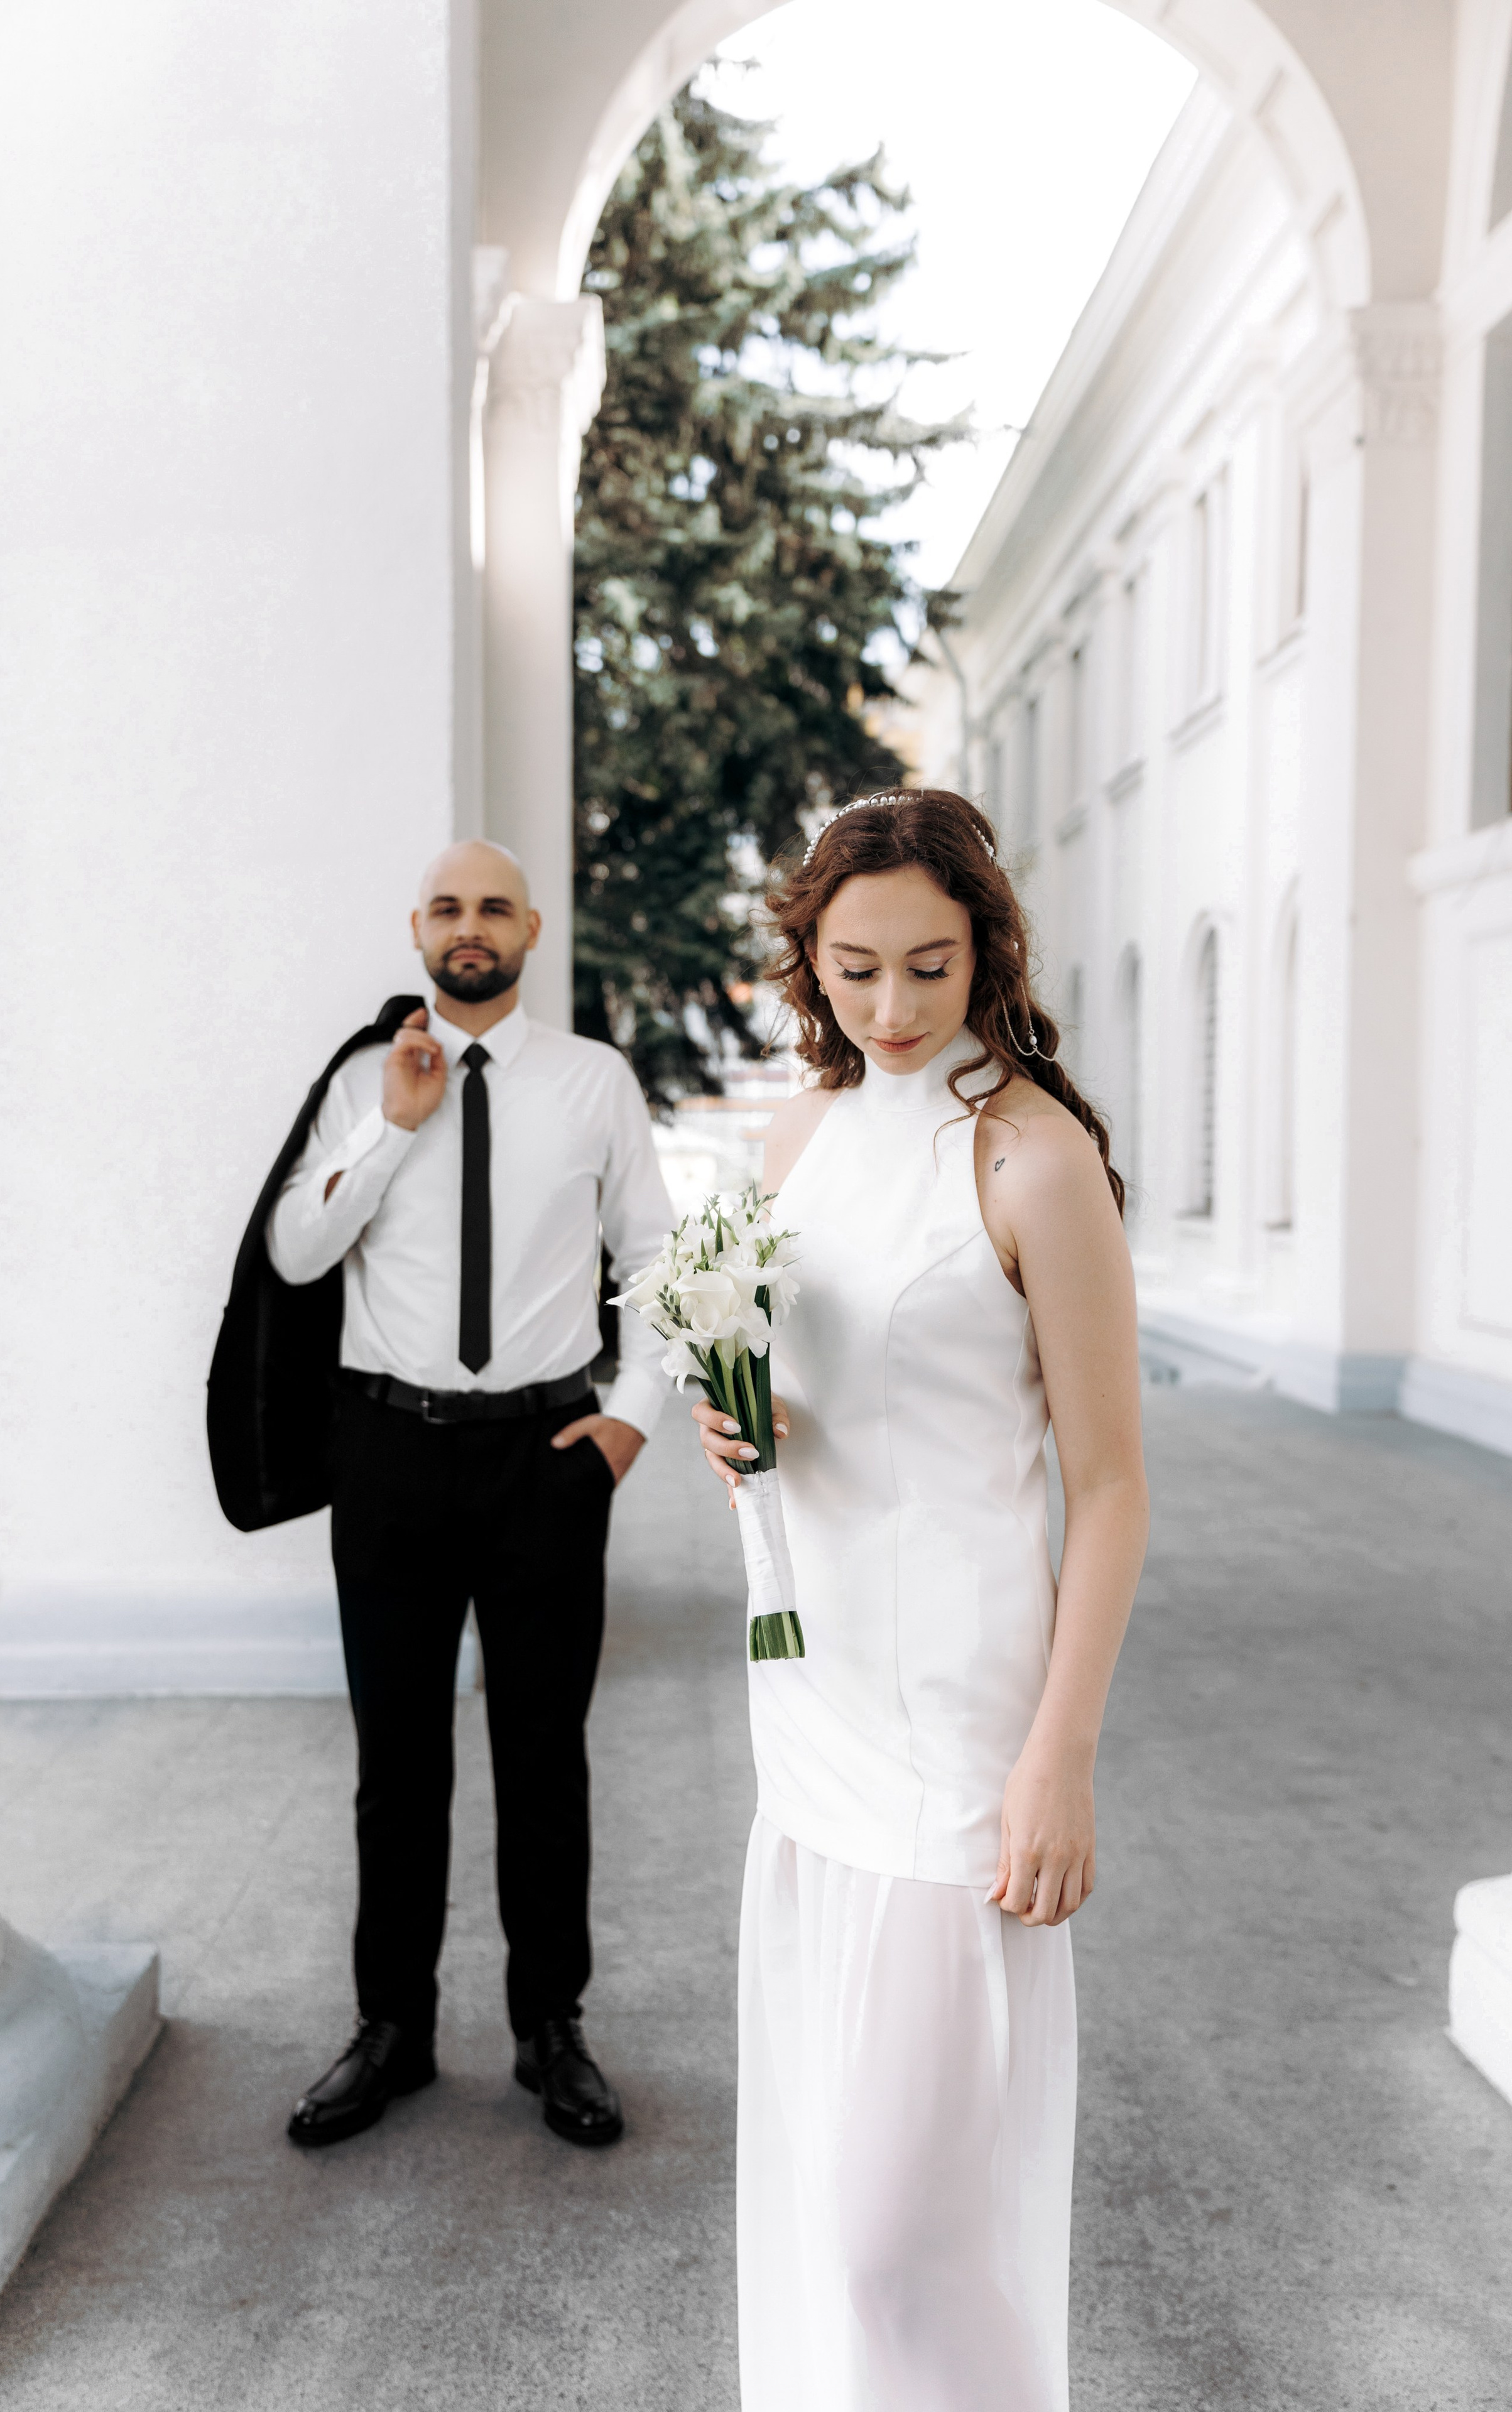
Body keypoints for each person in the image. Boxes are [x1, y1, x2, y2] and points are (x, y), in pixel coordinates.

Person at [692, 790, 1148, 2409]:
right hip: (814, 1703)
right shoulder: (796, 1139)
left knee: (903, 2240)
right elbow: (821, 1404)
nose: (889, 1008)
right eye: (855, 969)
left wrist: (1059, 1756)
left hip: (962, 1730)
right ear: (808, 962)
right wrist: (747, 1431)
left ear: (986, 953)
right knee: (831, 2208)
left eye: (929, 969)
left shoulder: (1033, 1159)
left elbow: (1109, 1487)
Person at [271, 839, 674, 2150]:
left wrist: (630, 1421)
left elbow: (655, 1255)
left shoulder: (594, 1081)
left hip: (545, 1460)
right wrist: (393, 1124)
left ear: (531, 930)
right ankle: (390, 2028)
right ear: (417, 929)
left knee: (543, 1759)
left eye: (494, 906)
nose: (470, 925)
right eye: (448, 907)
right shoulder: (363, 1082)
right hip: (388, 1456)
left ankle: (550, 2028)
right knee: (397, 1764)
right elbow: (296, 1249)